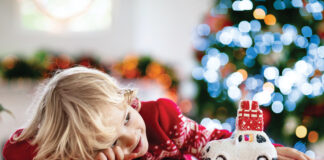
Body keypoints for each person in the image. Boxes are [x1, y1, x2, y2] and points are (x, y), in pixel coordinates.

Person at [2, 66, 313, 160]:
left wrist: (266, 150)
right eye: (110, 141)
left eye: (125, 119)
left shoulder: (160, 118)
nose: (131, 137)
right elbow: (19, 149)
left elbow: (214, 141)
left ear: (128, 102)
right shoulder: (82, 155)